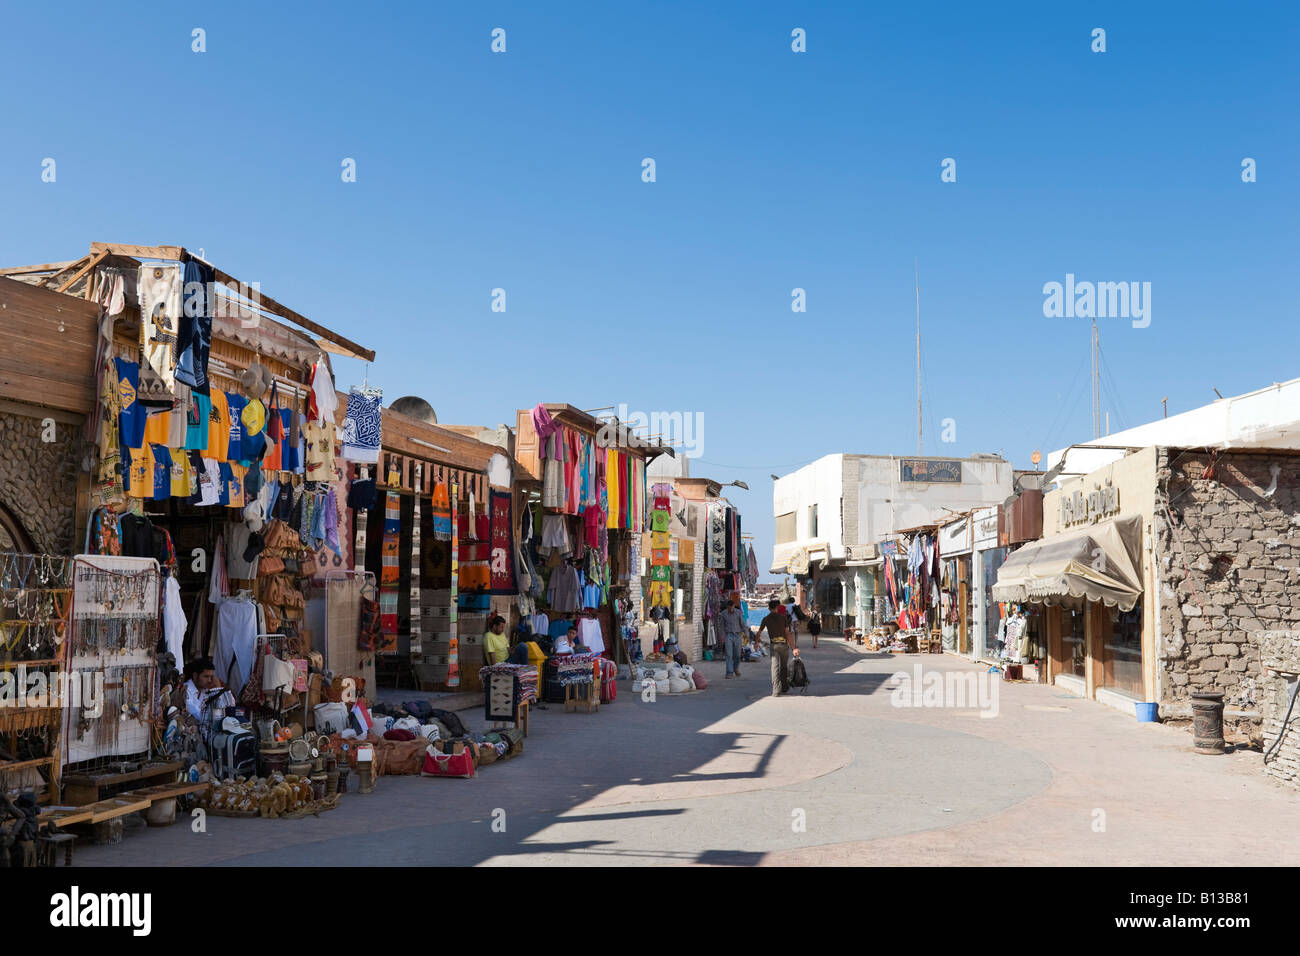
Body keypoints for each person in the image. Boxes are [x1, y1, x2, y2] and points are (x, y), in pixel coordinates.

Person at [755, 599, 798, 696]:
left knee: (774, 667)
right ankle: (784, 687)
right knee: (783, 667)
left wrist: (756, 643)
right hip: (784, 645)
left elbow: (759, 632)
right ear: (777, 608)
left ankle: (776, 690)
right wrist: (794, 648)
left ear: (769, 608)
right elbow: (788, 633)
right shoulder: (783, 618)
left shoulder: (766, 619)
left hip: (774, 645)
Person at [181, 656, 234, 723]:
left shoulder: (205, 690)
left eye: (211, 677)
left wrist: (218, 687)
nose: (209, 680)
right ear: (195, 676)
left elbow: (222, 709)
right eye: (206, 676)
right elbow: (200, 715)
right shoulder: (186, 690)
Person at [718, 599, 745, 679]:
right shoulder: (723, 614)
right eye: (729, 608)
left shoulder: (738, 612)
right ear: (727, 607)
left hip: (737, 635)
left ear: (734, 606)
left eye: (732, 608)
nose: (731, 609)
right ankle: (729, 672)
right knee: (729, 654)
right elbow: (722, 626)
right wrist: (722, 637)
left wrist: (746, 634)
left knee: (737, 655)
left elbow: (742, 624)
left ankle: (735, 668)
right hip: (728, 635)